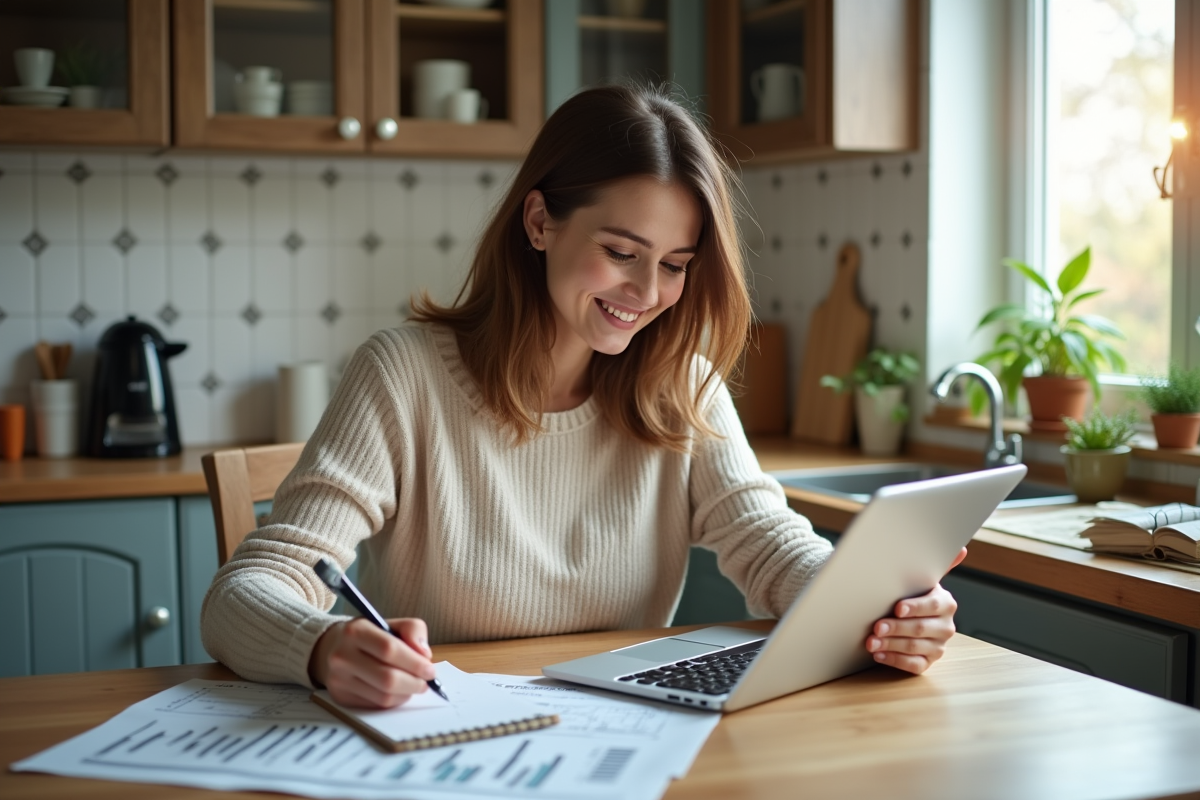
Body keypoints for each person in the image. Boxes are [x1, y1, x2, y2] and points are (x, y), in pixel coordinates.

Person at [201, 84, 962, 710]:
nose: (646, 292)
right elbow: (245, 595)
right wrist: (324, 645)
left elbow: (769, 545)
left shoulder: (680, 383)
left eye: (674, 264)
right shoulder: (403, 375)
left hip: (624, 744)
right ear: (540, 221)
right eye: (621, 253)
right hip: (444, 738)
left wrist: (876, 608)